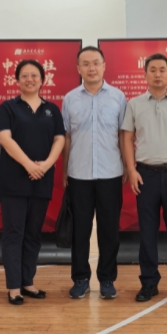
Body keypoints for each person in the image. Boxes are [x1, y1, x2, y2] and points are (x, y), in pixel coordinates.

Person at [121, 53, 167, 304]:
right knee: (147, 231)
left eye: (162, 69)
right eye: (152, 70)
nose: (157, 74)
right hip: (145, 174)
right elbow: (127, 138)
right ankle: (149, 281)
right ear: (145, 74)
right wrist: (132, 170)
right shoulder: (134, 104)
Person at [0, 60, 65, 305]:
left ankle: (28, 282)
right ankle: (14, 287)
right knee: (14, 233)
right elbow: (4, 139)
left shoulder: (52, 109)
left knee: (33, 233)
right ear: (17, 80)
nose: (30, 79)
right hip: (13, 181)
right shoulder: (8, 108)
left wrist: (44, 166)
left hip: (41, 180)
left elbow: (59, 139)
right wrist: (29, 165)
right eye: (24, 75)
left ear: (43, 80)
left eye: (34, 75)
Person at [62, 46, 127, 300]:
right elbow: (67, 137)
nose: (91, 68)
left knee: (109, 229)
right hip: (78, 174)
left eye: (96, 63)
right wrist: (65, 170)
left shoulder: (118, 97)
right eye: (86, 63)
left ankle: (107, 279)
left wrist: (126, 166)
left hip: (111, 172)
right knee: (80, 230)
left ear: (104, 66)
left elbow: (122, 135)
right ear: (78, 68)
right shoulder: (70, 99)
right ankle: (80, 279)